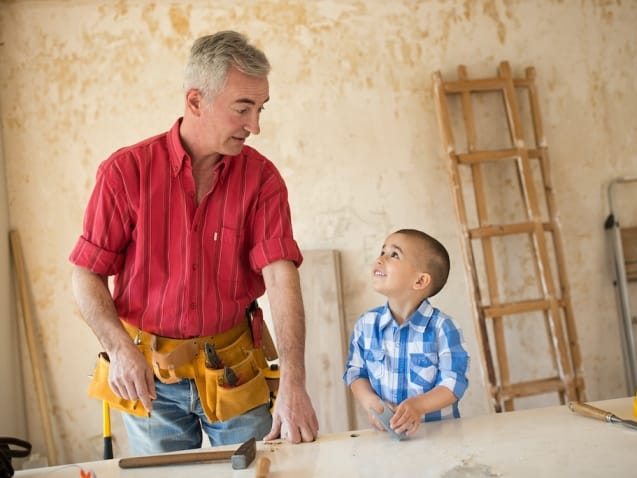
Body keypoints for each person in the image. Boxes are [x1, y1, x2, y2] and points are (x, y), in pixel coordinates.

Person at [70, 30, 318, 455]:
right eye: (243, 108)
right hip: (148, 376)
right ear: (195, 101)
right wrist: (118, 349)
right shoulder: (125, 173)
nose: (255, 126)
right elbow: (86, 274)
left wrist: (295, 380)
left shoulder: (263, 180)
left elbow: (280, 278)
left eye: (260, 109)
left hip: (235, 372)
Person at [343, 229, 470, 437]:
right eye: (382, 251)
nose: (380, 258)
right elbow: (355, 372)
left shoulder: (444, 328)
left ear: (420, 281)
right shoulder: (366, 325)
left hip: (438, 438)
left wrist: (417, 406)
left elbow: (453, 383)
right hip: (386, 438)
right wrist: (369, 402)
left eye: (394, 254)